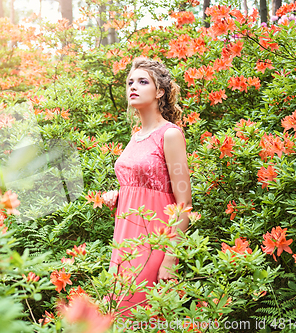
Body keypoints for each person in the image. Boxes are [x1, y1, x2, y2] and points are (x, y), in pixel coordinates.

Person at [102, 57, 192, 318]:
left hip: (154, 243)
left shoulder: (170, 134)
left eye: (143, 82)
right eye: (130, 82)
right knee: (119, 315)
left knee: (144, 315)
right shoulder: (135, 136)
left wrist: (171, 258)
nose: (133, 86)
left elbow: (183, 201)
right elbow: (144, 186)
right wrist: (119, 196)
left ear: (160, 91)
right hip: (125, 240)